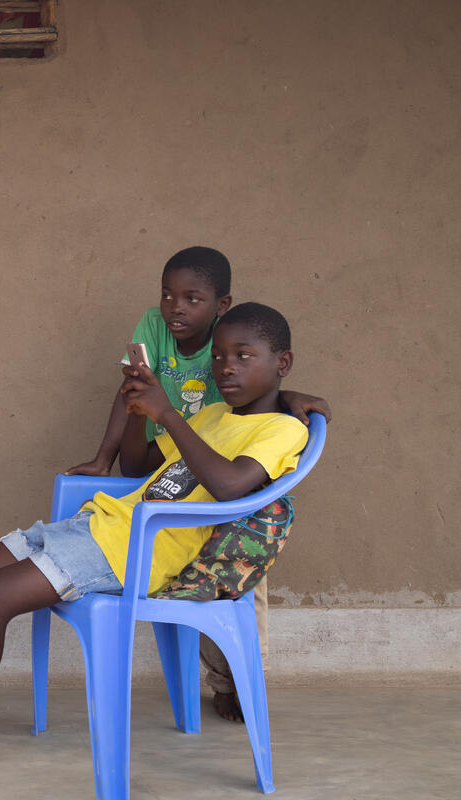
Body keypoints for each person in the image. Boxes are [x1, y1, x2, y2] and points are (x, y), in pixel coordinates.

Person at [0, 302, 308, 779]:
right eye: (220, 356)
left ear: (282, 364)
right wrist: (138, 409)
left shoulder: (283, 429)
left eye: (243, 356)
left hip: (138, 550)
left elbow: (228, 486)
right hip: (99, 526)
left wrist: (171, 416)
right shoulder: (215, 417)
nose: (226, 367)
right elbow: (138, 468)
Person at [66, 246, 330, 721]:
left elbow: (257, 388)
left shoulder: (229, 346)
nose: (176, 309)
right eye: (168, 296)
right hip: (177, 461)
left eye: (191, 299)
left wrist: (285, 395)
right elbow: (132, 386)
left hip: (227, 472)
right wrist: (107, 453)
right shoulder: (155, 326)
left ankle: (237, 681)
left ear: (220, 306)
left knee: (241, 585)